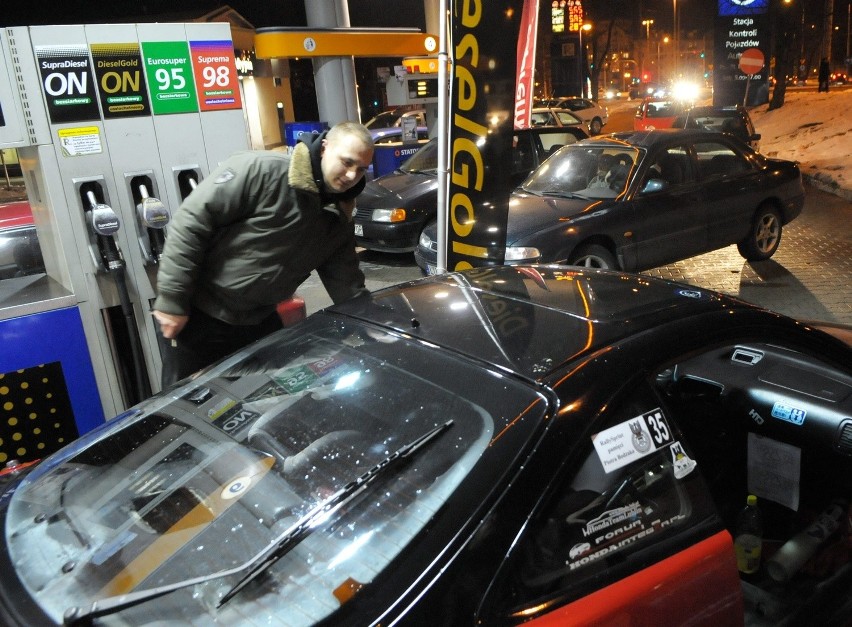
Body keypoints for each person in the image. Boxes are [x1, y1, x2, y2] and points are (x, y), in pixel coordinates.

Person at [152, 121, 375, 386]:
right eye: (347, 162)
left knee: (258, 401)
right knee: (187, 409)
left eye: (360, 169)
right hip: (198, 316)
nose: (352, 176)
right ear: (325, 147)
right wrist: (172, 301)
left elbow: (345, 280)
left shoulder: (337, 215)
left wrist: (372, 324)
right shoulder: (262, 172)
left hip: (259, 320)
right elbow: (190, 222)